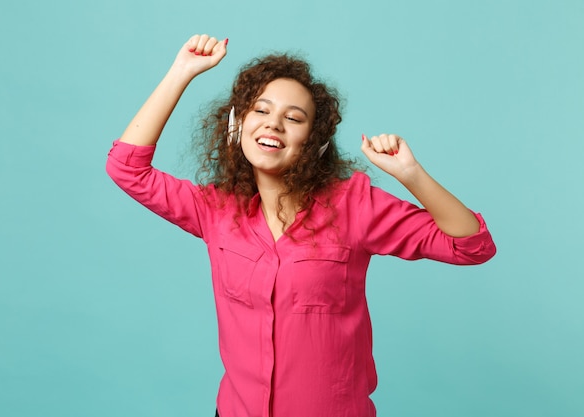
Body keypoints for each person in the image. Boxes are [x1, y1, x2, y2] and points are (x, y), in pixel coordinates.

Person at [106, 34, 496, 417]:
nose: (273, 124)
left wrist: (411, 175)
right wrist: (182, 71)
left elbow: (472, 246)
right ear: (237, 124)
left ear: (313, 141)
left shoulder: (356, 206)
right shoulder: (215, 209)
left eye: (293, 118)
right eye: (260, 111)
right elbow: (126, 168)